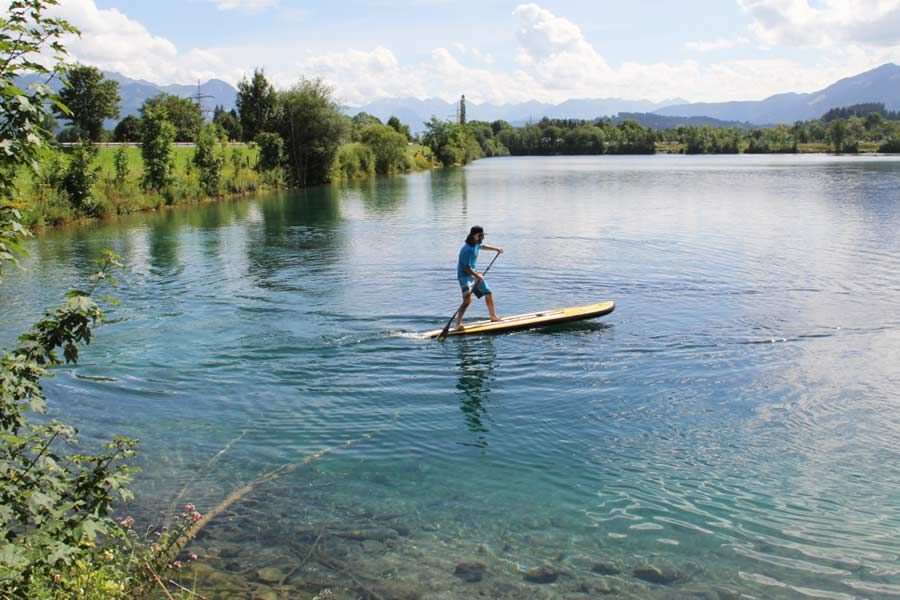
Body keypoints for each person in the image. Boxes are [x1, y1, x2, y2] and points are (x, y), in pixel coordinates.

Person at [456, 225, 503, 329]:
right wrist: (477, 275)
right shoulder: (467, 249)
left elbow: (483, 246)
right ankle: (458, 323)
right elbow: (466, 268)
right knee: (467, 300)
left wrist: (496, 249)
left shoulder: (477, 243)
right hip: (465, 276)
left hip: (474, 273)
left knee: (488, 292)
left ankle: (493, 316)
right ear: (475, 236)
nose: (483, 237)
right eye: (481, 235)